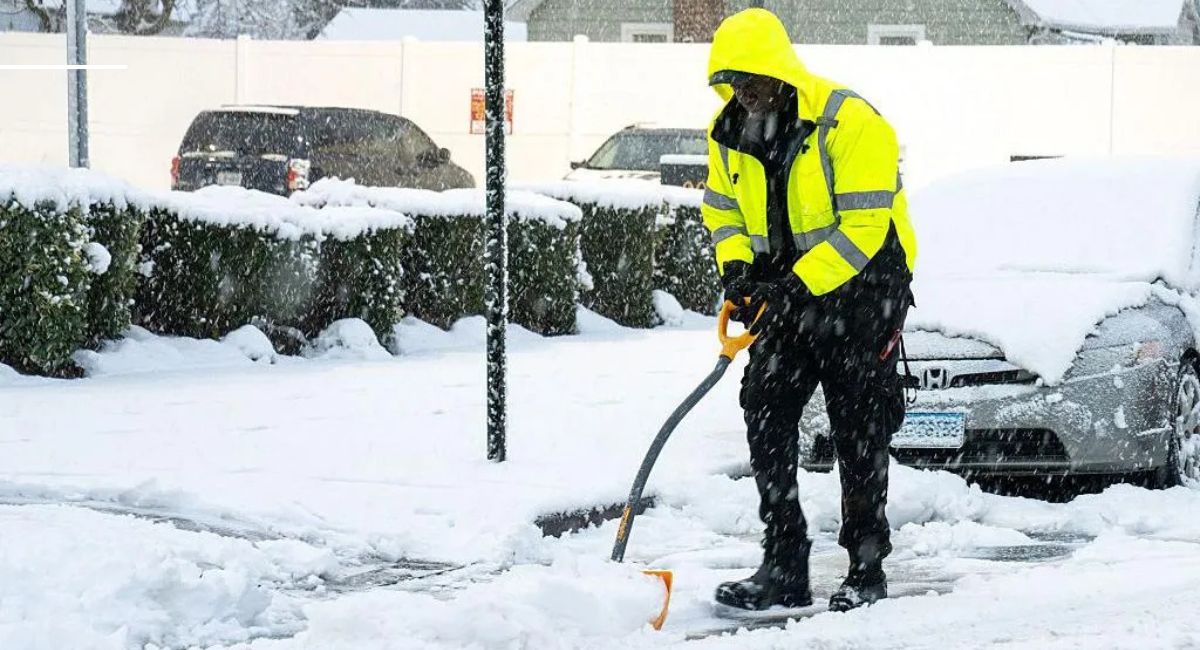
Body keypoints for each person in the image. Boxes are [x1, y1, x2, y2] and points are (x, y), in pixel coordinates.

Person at [701, 8, 918, 612]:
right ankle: (784, 563)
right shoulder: (730, 133)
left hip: (864, 290)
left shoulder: (850, 124)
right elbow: (721, 212)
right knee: (765, 410)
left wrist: (794, 288)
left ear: (780, 70)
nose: (744, 94)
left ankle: (866, 566)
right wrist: (739, 271)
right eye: (734, 83)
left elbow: (863, 230)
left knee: (858, 423)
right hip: (785, 296)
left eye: (752, 80)